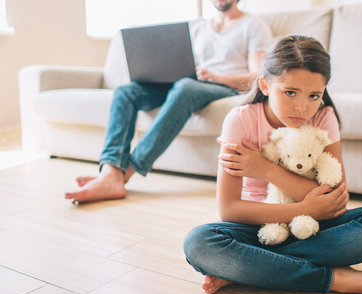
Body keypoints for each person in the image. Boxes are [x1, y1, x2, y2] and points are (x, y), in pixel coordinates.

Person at [183, 35, 362, 294]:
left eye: (314, 95)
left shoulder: (324, 117)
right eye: (290, 92)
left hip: (315, 227)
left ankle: (248, 269)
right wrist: (303, 208)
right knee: (199, 243)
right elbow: (229, 209)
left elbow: (333, 201)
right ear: (265, 84)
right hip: (261, 227)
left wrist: (268, 170)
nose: (302, 107)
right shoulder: (240, 120)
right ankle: (338, 279)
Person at [65, 0, 273, 204]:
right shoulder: (199, 26)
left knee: (185, 86)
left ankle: (125, 173)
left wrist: (218, 77)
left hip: (223, 87)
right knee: (126, 92)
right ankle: (110, 171)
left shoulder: (253, 24)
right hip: (188, 82)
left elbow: (258, 75)